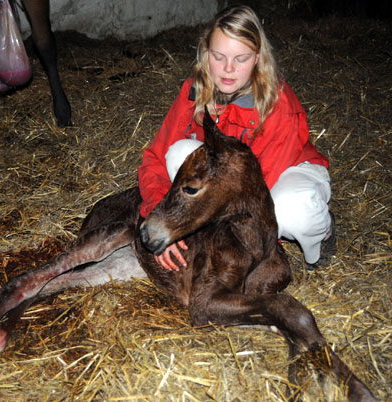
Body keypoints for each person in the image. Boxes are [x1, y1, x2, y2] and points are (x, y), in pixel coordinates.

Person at [137, 5, 336, 271]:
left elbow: (256, 191)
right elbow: (156, 158)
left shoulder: (276, 102)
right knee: (178, 153)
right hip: (227, 180)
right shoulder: (194, 92)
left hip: (284, 174)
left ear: (257, 58)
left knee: (291, 211)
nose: (228, 69)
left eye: (241, 59)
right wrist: (163, 218)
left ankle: (322, 236)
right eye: (218, 56)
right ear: (205, 53)